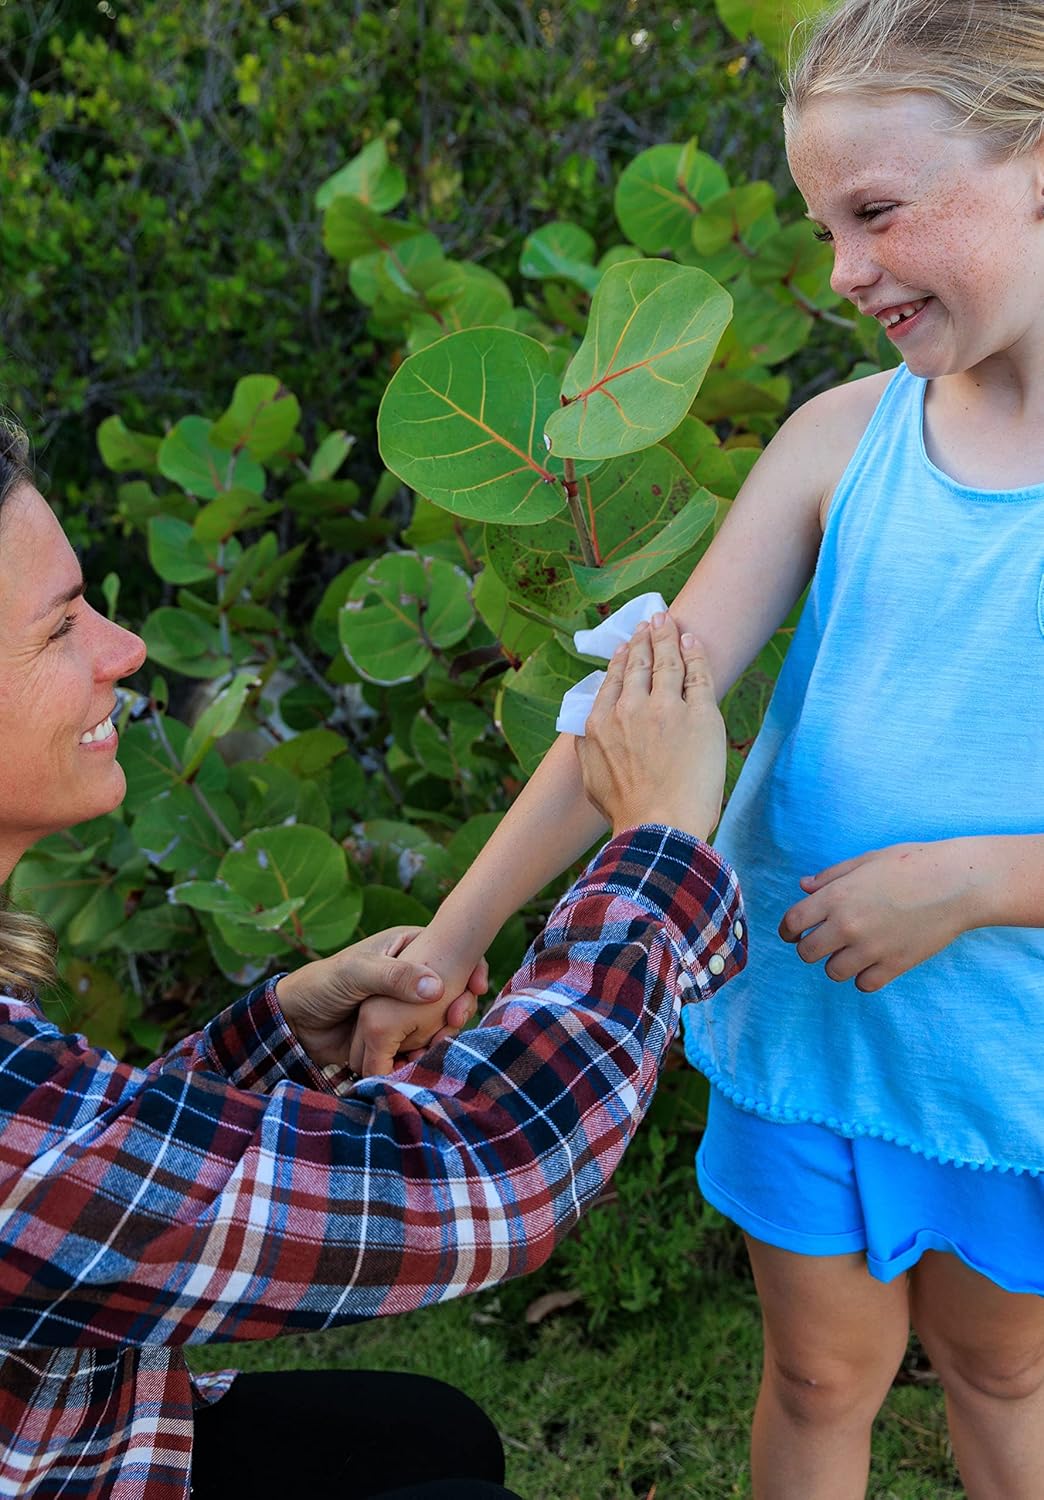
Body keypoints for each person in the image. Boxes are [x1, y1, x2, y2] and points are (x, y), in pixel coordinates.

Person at [356, 2, 1044, 1496]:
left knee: (1006, 1373)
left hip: (1013, 1057)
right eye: (823, 225)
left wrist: (983, 880)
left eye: (876, 213)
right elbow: (643, 703)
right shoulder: (841, 439)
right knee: (815, 1375)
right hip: (807, 1036)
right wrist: (453, 941)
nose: (844, 272)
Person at [0, 424, 745, 1499]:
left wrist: (277, 1034)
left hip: (73, 1423)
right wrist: (658, 857)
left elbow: (93, 1186)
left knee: (424, 1437)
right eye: (62, 626)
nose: (123, 650)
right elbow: (491, 1169)